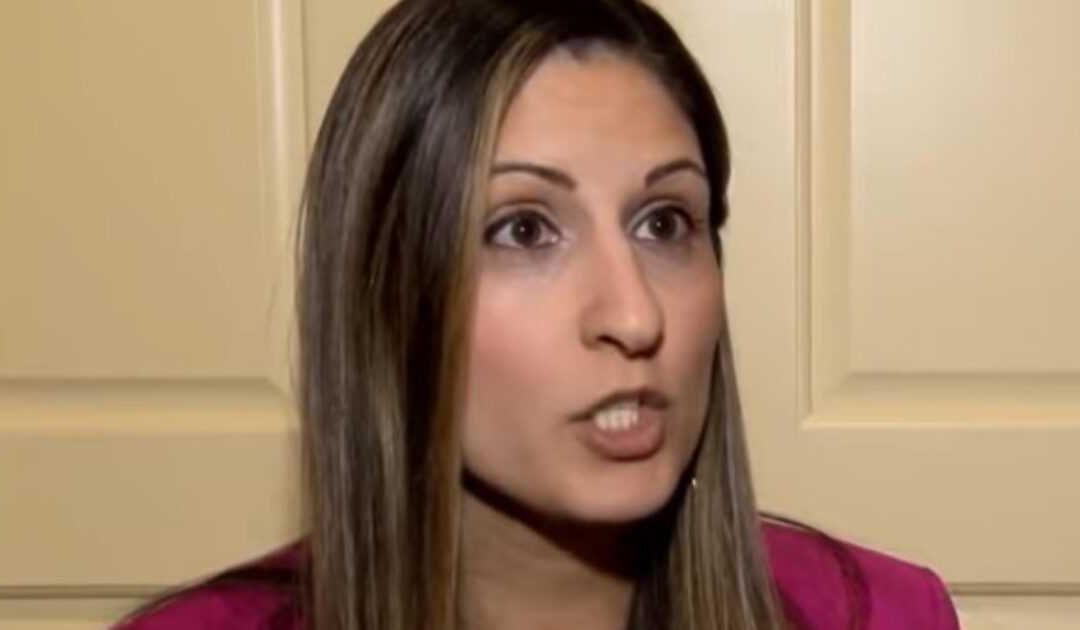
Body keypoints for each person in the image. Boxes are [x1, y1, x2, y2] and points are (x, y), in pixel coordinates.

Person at [115, 0, 960, 628]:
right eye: (523, 229)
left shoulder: (878, 615)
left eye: (665, 222)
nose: (634, 316)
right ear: (386, 290)